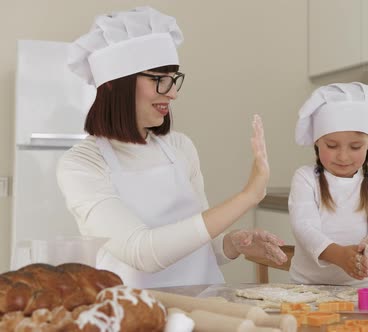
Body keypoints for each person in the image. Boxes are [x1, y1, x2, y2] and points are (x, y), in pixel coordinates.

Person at [56, 6, 287, 288]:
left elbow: (201, 244)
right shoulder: (83, 163)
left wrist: (232, 244)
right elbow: (143, 253)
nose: (173, 93)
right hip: (136, 316)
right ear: (118, 85)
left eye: (173, 79)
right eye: (159, 80)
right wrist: (248, 196)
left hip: (203, 308)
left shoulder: (180, 147)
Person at [288, 82, 368, 288]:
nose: (343, 156)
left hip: (362, 290)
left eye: (355, 147)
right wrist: (340, 256)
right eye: (332, 145)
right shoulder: (305, 178)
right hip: (306, 289)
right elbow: (305, 228)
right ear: (317, 142)